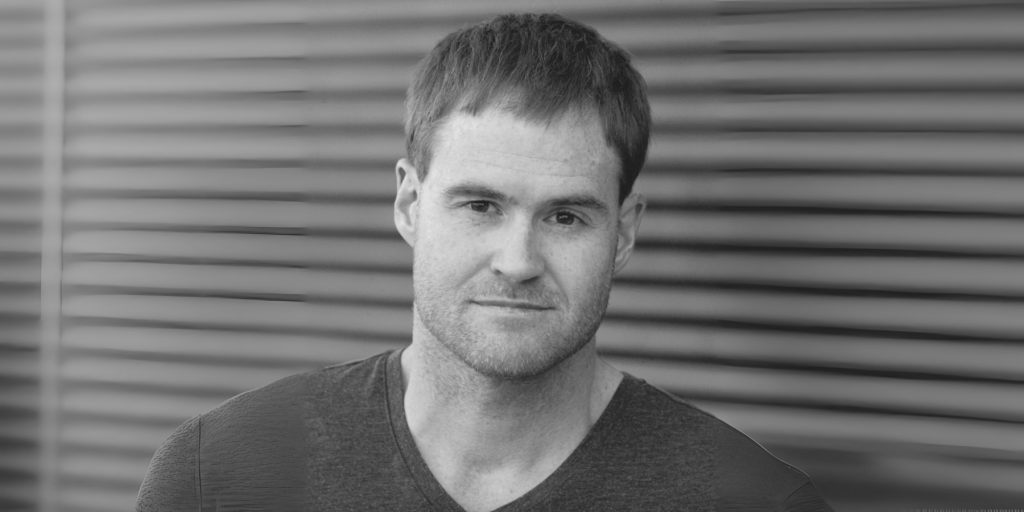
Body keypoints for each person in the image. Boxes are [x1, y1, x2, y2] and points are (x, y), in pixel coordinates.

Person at [136, 13, 833, 511]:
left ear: (622, 234)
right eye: (480, 206)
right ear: (410, 204)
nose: (518, 261)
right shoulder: (218, 475)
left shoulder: (754, 501)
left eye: (566, 216)